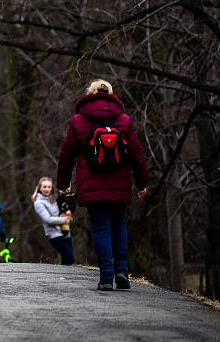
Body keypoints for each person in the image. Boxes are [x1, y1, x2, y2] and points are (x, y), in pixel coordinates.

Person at [56, 79, 149, 291]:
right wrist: (142, 182)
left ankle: (106, 277)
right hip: (119, 184)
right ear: (111, 94)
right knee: (119, 225)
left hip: (92, 185)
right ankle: (122, 271)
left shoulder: (78, 121)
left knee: (101, 228)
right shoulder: (124, 121)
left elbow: (66, 155)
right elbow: (137, 154)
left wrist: (63, 183)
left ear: (90, 94)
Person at [32, 176, 75, 265]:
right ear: (40, 188)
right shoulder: (38, 203)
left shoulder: (54, 199)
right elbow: (48, 219)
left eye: (49, 187)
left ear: (52, 188)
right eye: (44, 187)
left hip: (65, 231)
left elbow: (64, 208)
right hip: (54, 235)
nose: (47, 189)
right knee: (70, 258)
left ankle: (63, 278)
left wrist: (68, 211)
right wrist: (65, 220)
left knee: (66, 261)